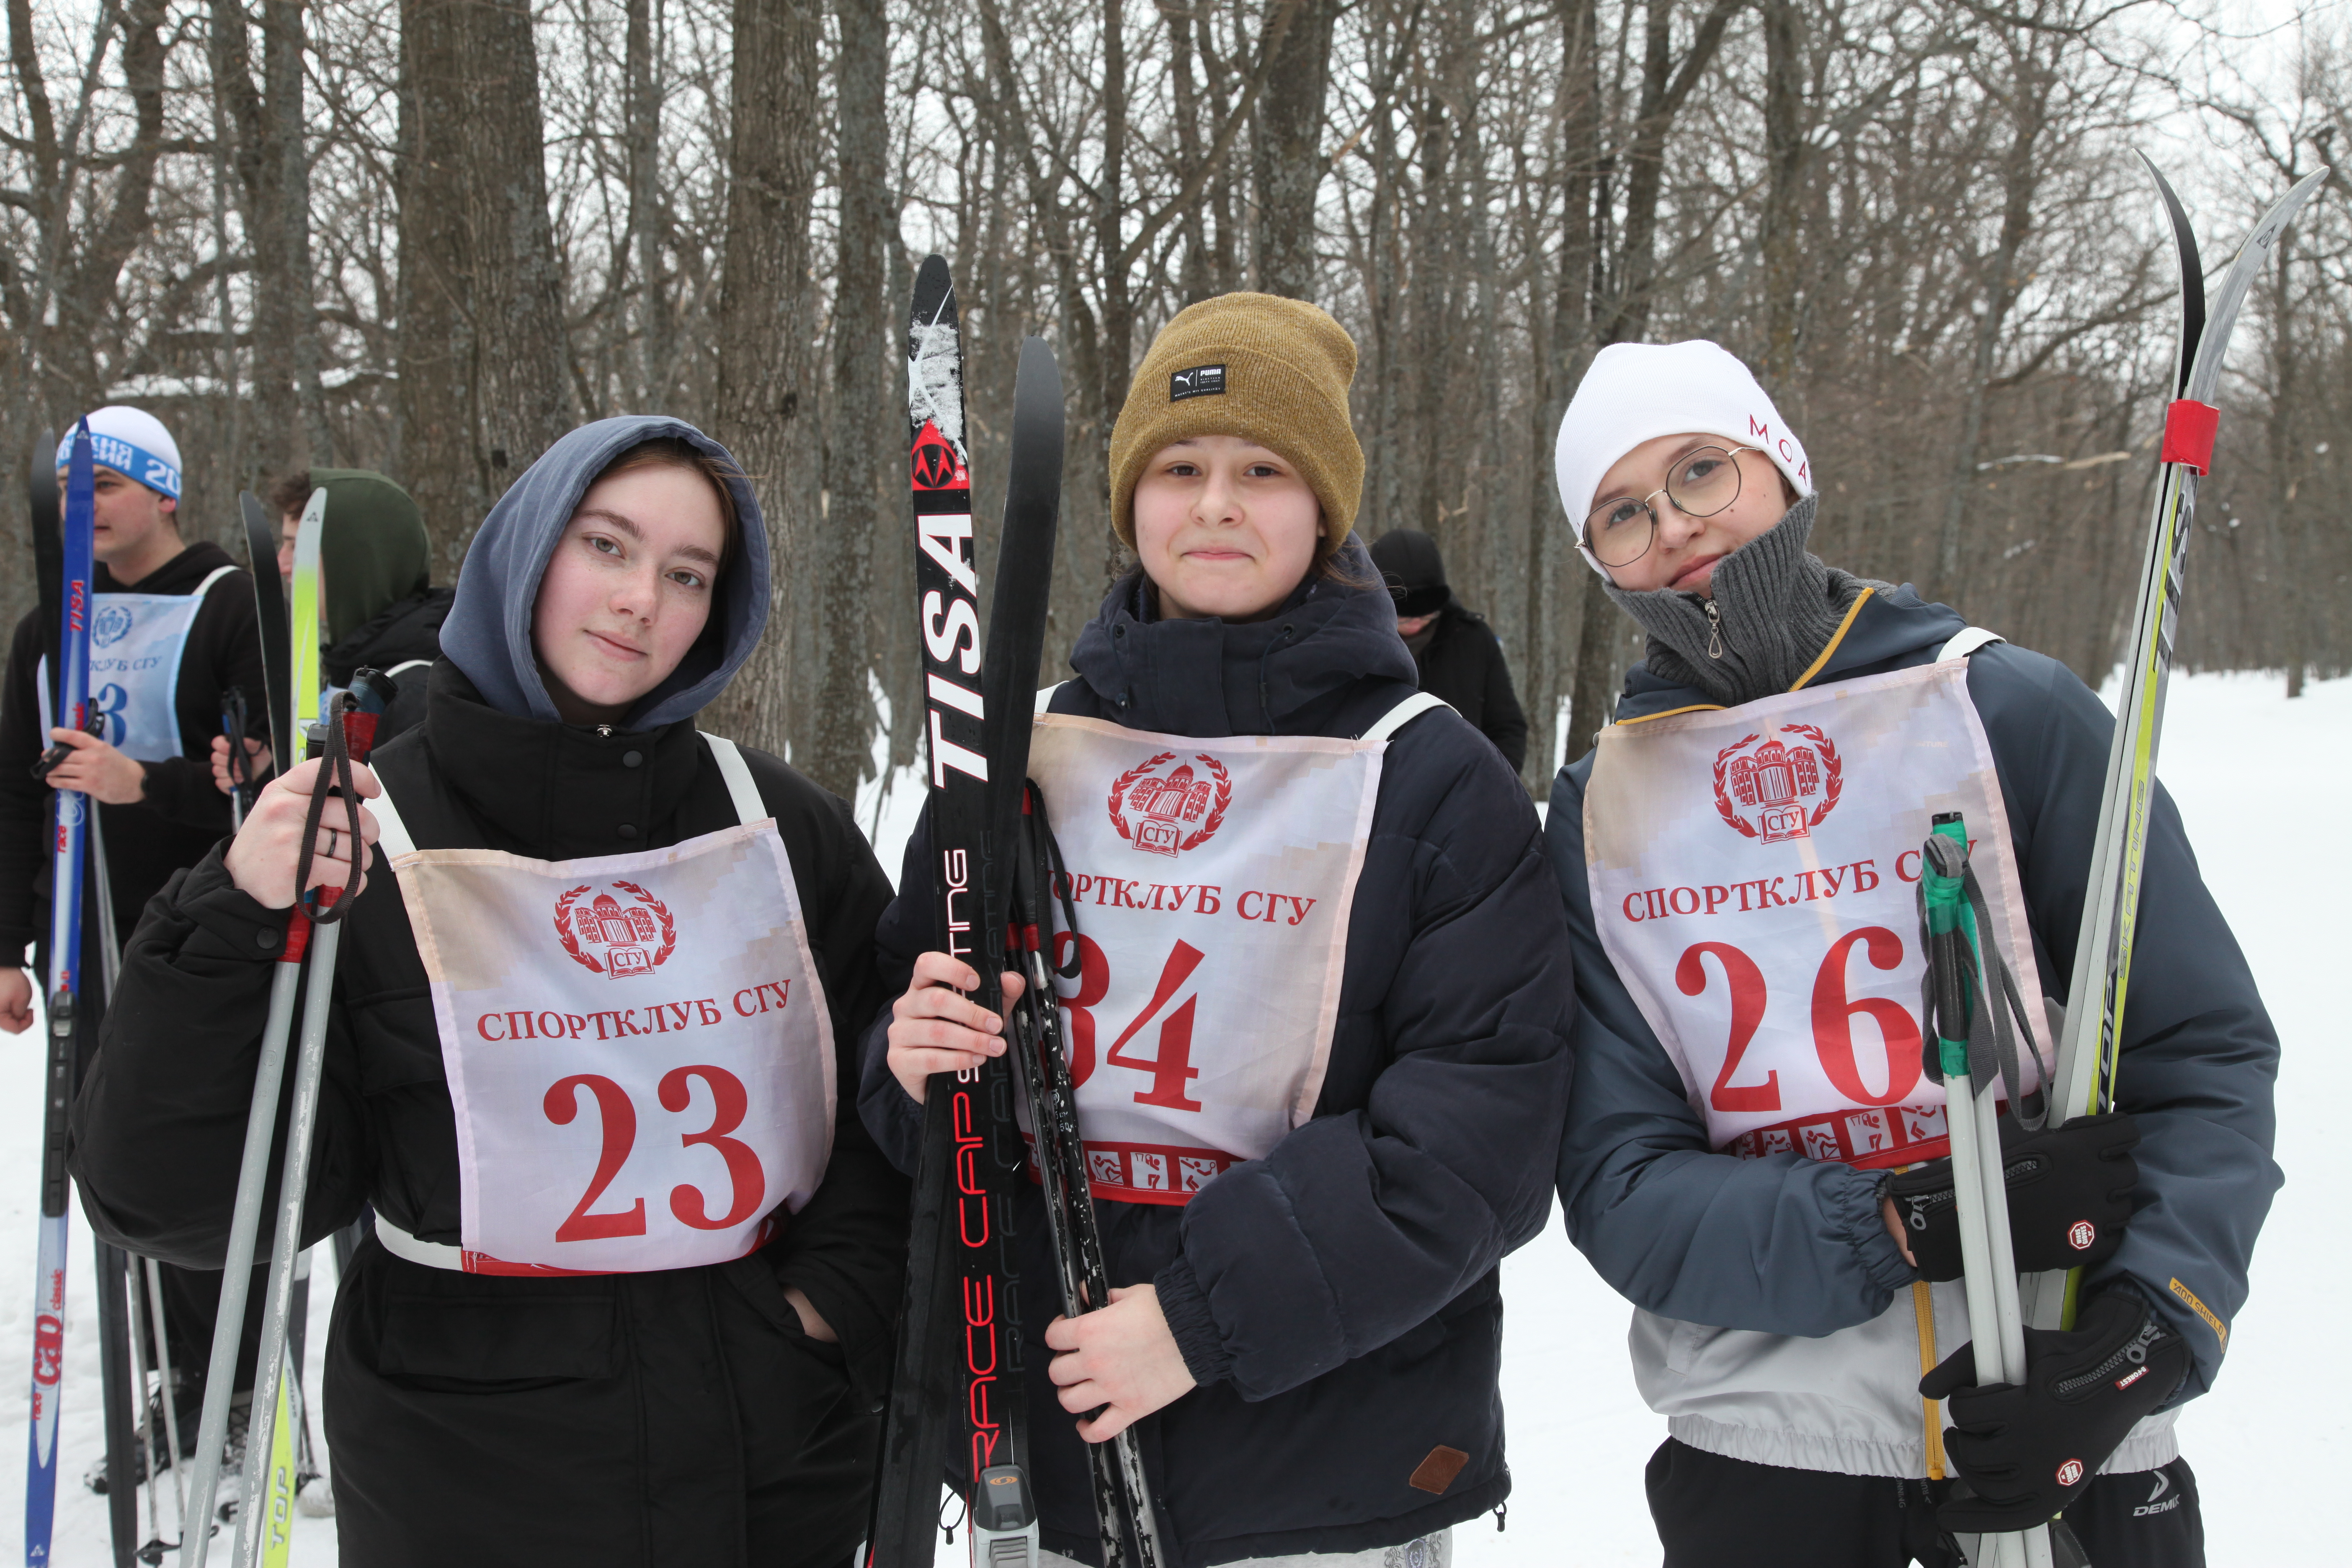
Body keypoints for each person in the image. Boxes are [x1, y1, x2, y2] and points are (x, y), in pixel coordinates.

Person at [72, 415, 908, 1565]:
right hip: (464, 1468)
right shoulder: (365, 833)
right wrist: (228, 922)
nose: (639, 602)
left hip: (768, 1455)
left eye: (686, 574)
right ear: (528, 551)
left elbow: (890, 1102)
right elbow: (172, 1202)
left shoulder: (775, 824)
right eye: (606, 548)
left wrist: (826, 1313)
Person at [863, 294, 1574, 1566]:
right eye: (1180, 468)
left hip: (1329, 1468)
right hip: (1049, 1453)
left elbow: (1481, 1137)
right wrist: (903, 1065)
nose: (1216, 504)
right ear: (1133, 499)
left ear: (1324, 508)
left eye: (1263, 470)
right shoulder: (1021, 756)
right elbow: (907, 1056)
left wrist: (1199, 1321)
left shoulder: (1431, 779)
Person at [1544, 340, 2274, 1566]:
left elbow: (2199, 1052)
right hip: (1777, 1456)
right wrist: (1899, 1227)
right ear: (1597, 556)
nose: (1672, 523)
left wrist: (2140, 1343)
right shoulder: (1598, 816)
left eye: (1702, 470)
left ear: (1782, 466)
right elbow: (1621, 1187)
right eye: (1623, 511)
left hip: (2069, 1432)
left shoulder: (2008, 713)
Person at [0, 405, 271, 1483]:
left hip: (204, 939)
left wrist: (140, 784)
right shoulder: (42, 630)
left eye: (106, 488)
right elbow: (17, 794)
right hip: (89, 937)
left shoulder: (227, 603)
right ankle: (176, 1378)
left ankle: (241, 1385)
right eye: (71, 494)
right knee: (118, 1165)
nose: (88, 513)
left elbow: (258, 795)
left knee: (198, 1164)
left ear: (163, 490)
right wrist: (7, 940)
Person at [210, 467, 452, 795]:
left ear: (353, 559)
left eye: (297, 546)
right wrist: (269, 771)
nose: (282, 563)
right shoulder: (354, 665)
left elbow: (399, 832)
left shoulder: (413, 694)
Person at [1367, 528, 1529, 770]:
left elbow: (1506, 727)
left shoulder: (1473, 640)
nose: (1415, 623)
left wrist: (1493, 785)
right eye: (1403, 617)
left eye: (1426, 615)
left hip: (1464, 789)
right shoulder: (1358, 646)